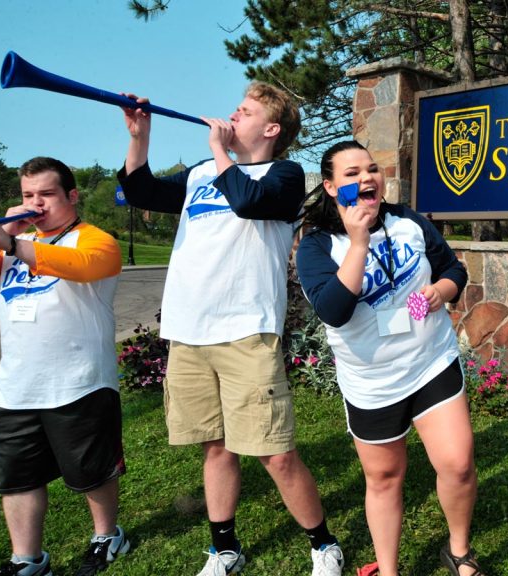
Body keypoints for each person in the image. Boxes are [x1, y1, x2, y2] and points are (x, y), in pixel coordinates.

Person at [117, 82, 343, 576]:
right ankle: (225, 550)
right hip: (189, 331)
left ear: (271, 129)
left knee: (274, 451)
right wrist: (140, 136)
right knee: (214, 447)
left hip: (247, 332)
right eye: (234, 110)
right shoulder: (200, 173)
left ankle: (322, 544)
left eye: (244, 112)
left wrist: (220, 149)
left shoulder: (284, 176)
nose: (231, 116)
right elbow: (141, 192)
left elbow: (247, 201)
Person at [295, 141, 482, 576]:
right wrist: (358, 242)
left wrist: (441, 291)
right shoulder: (317, 247)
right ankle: (390, 570)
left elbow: (454, 270)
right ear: (330, 187)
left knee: (457, 463)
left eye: (373, 169)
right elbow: (334, 311)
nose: (367, 178)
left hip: (430, 360)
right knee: (384, 479)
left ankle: (458, 553)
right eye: (352, 173)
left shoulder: (408, 221)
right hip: (372, 382)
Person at [0, 157, 127, 576]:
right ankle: (26, 559)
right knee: (18, 477)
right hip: (16, 385)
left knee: (91, 472)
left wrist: (13, 245)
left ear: (72, 196)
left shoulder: (96, 240)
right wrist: (5, 237)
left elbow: (82, 268)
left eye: (46, 194)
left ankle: (106, 535)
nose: (36, 203)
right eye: (28, 195)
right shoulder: (14, 243)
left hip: (78, 381)